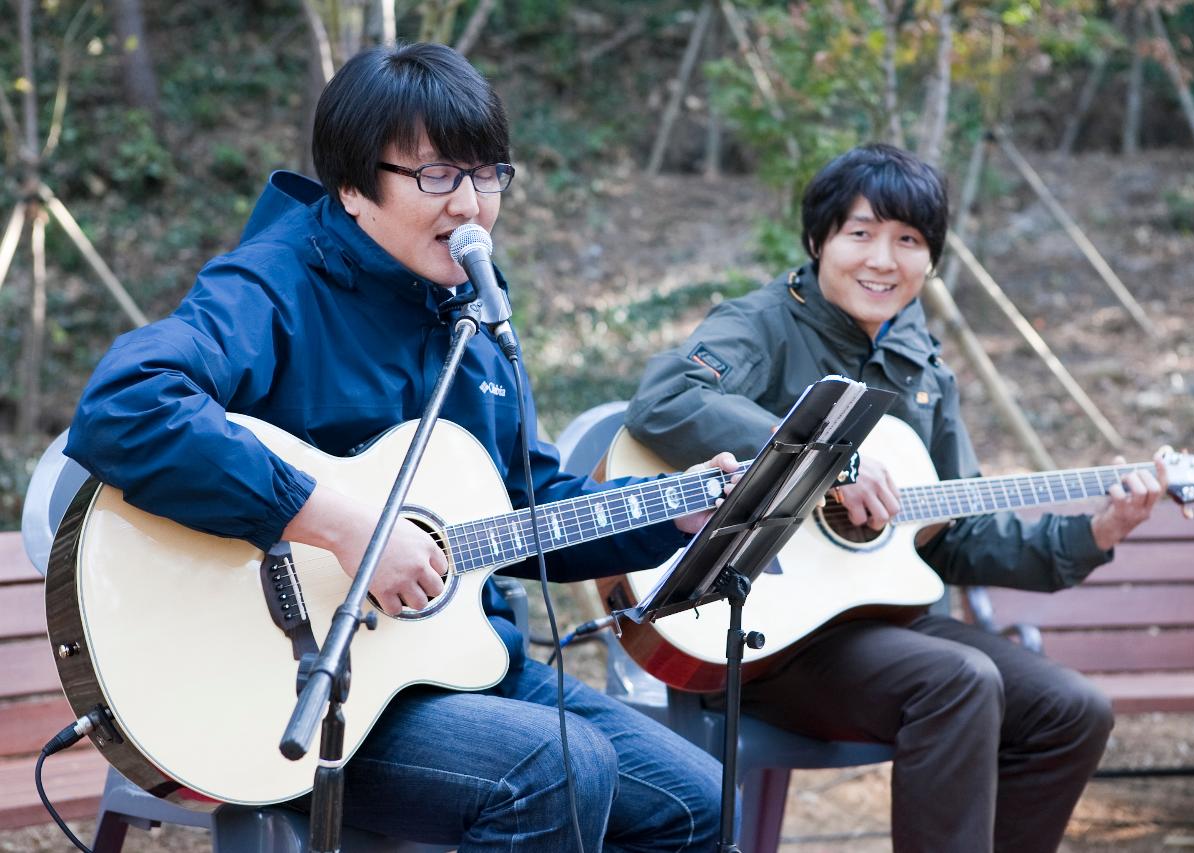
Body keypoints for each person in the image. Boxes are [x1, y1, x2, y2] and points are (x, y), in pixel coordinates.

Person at [65, 43, 729, 851]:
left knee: (698, 801)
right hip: (296, 682)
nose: (473, 204)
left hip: (461, 663)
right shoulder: (272, 284)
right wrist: (344, 526)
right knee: (559, 766)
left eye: (489, 175)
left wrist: (673, 516)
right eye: (439, 175)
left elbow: (523, 510)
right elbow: (128, 405)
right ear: (352, 185)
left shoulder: (477, 316)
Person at [625, 143, 1166, 853]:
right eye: (861, 233)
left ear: (931, 259)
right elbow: (665, 400)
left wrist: (1093, 533)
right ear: (819, 240)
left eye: (908, 240)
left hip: (887, 627)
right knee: (961, 679)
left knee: (1071, 708)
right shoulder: (762, 323)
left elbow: (958, 534)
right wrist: (830, 460)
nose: (883, 259)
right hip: (763, 633)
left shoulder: (924, 370)